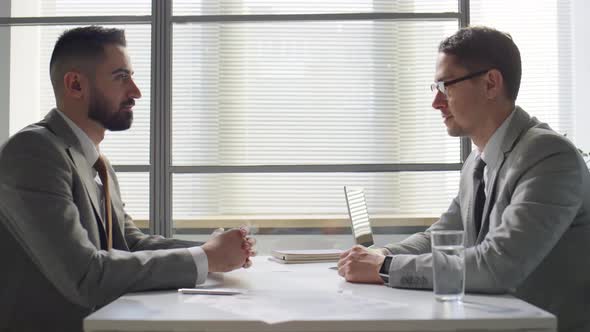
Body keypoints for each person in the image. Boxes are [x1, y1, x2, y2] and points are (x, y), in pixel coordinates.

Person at [0, 26, 256, 332]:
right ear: (76, 84)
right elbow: (85, 276)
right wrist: (204, 258)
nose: (136, 91)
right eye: (121, 76)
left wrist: (214, 248)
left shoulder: (94, 160)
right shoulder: (33, 152)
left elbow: (129, 243)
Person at [337, 26, 590, 332]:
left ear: (490, 83)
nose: (437, 103)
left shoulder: (549, 156)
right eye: (436, 89)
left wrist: (385, 268)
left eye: (447, 86)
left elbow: (498, 265)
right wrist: (383, 253)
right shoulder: (477, 161)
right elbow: (441, 236)